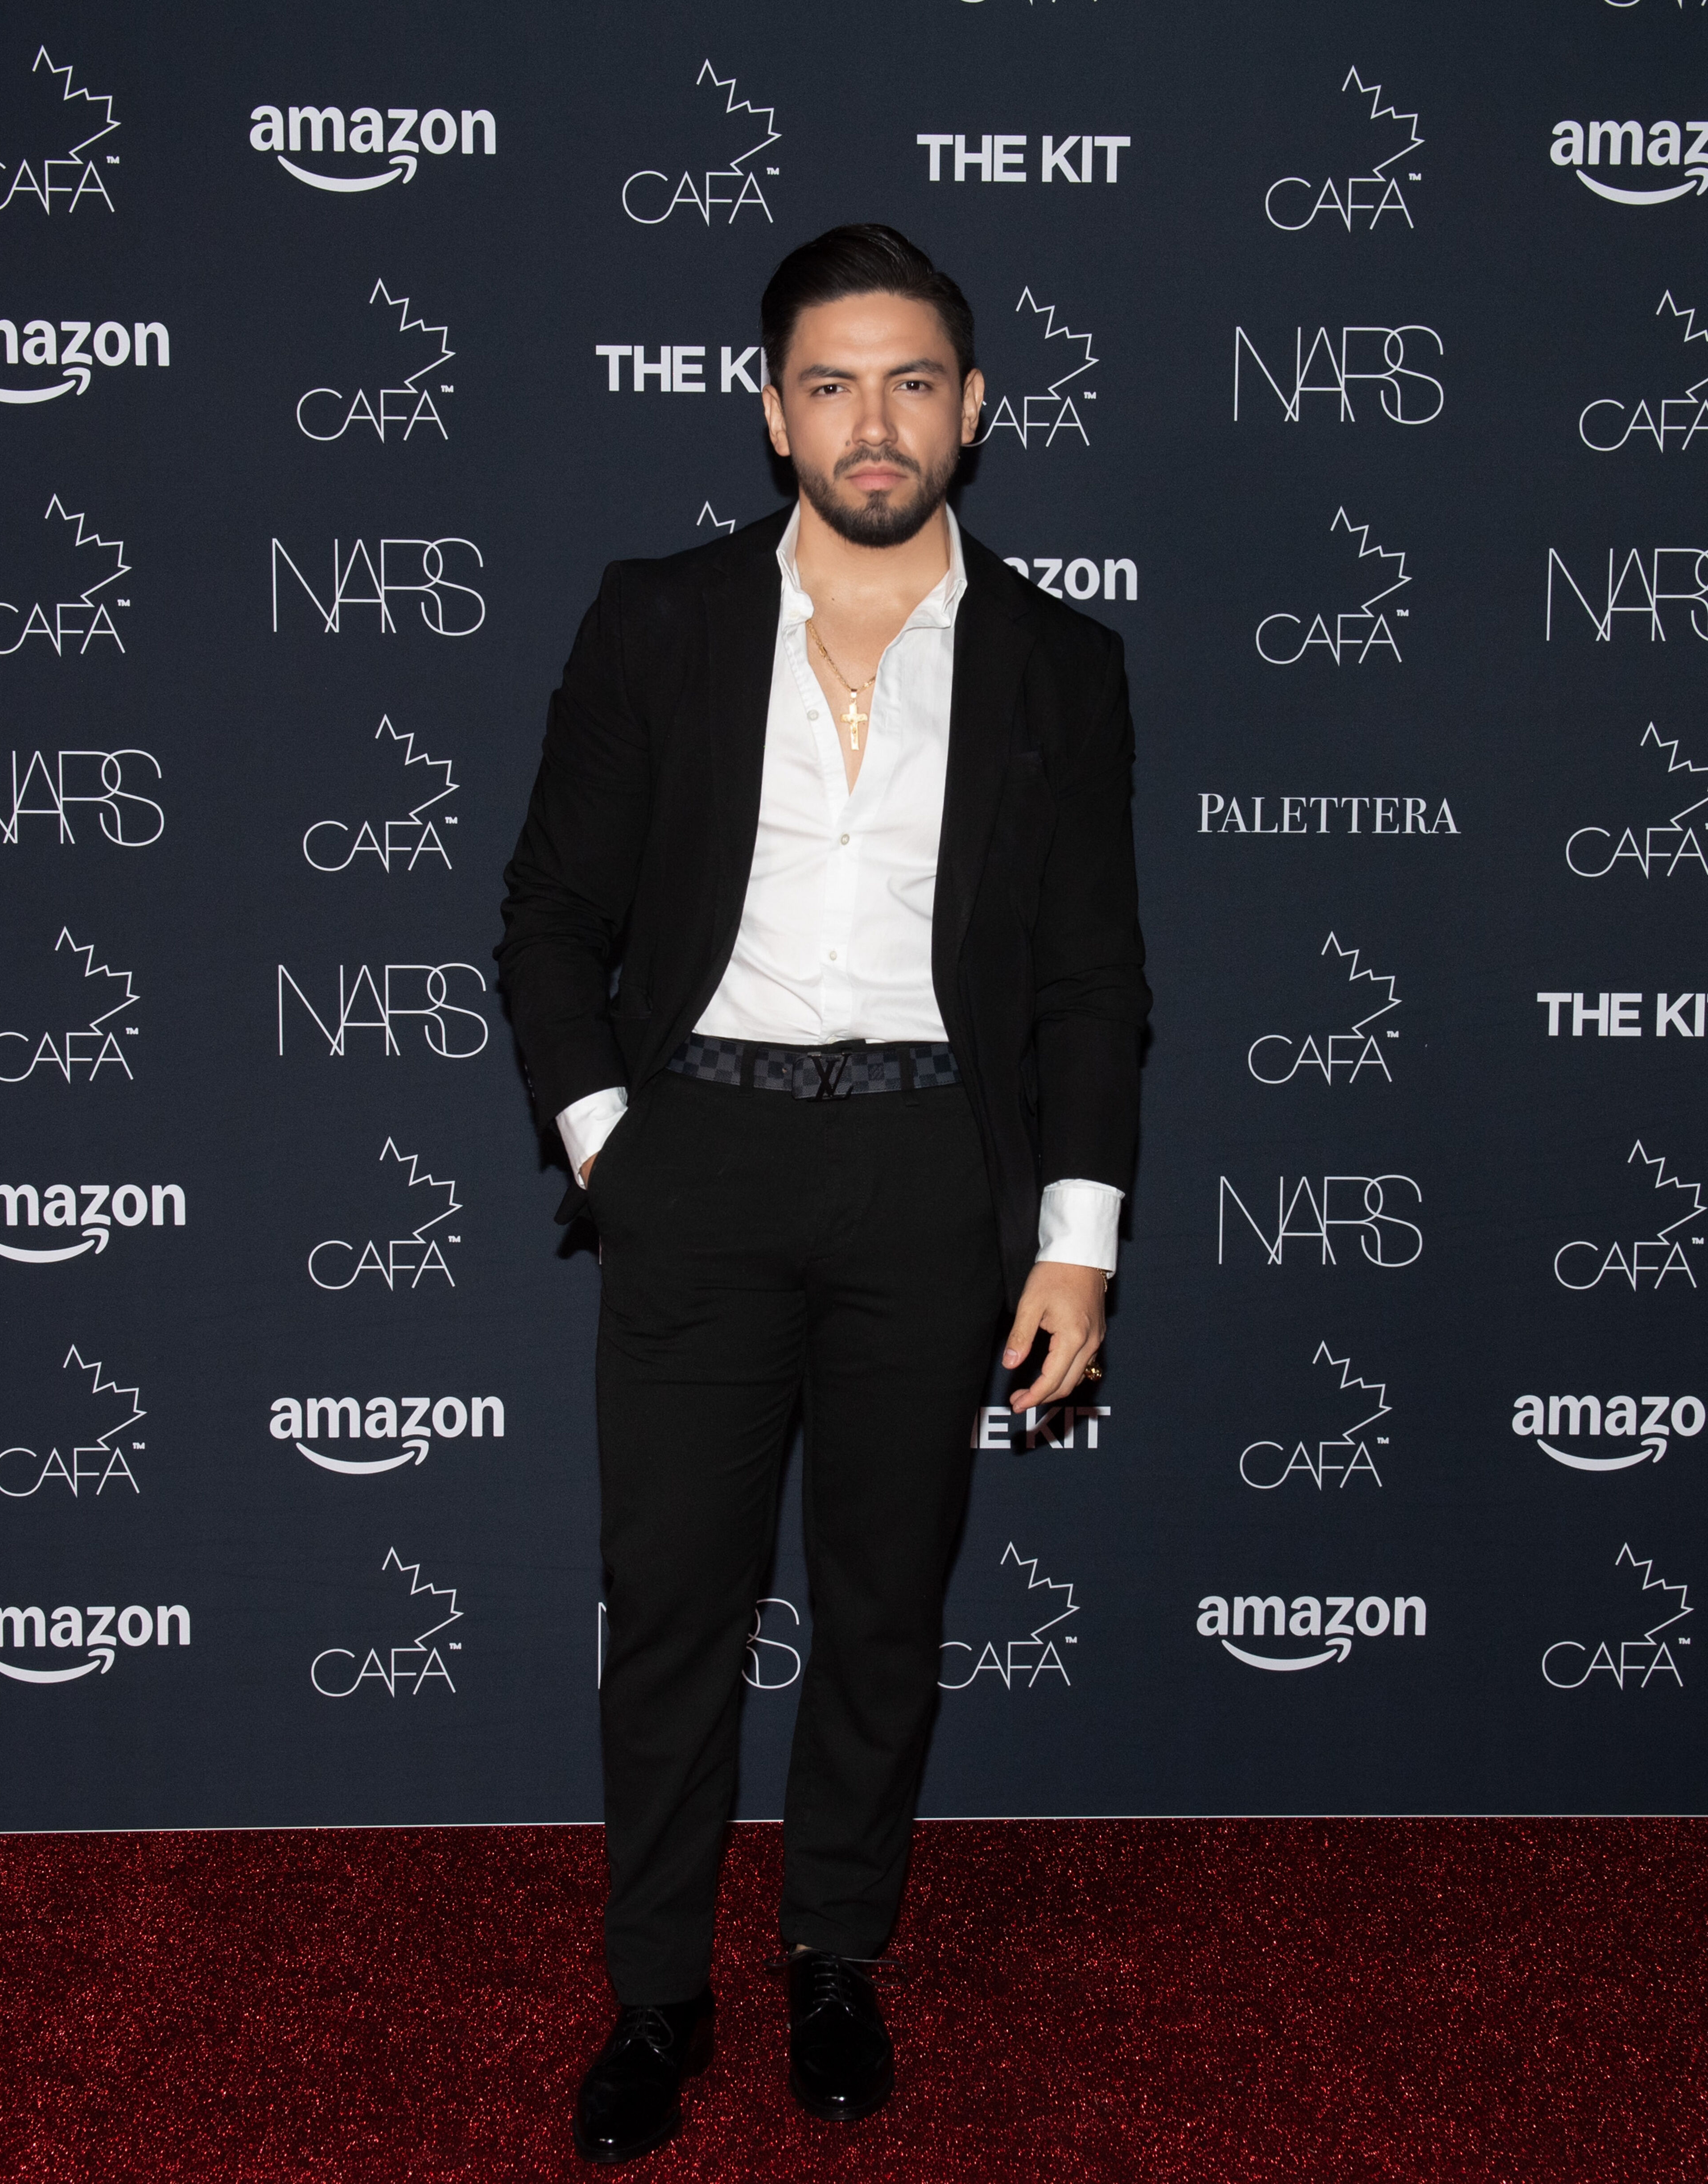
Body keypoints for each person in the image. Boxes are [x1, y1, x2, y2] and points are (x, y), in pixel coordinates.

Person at [497, 223, 1148, 2165]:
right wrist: (618, 1143)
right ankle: (658, 1996)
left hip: (929, 1182)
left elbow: (1094, 981)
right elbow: (550, 915)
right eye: (835, 383)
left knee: (883, 1608)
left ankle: (837, 1961)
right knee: (673, 1604)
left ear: (977, 410)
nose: (878, 423)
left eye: (916, 382)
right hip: (701, 1160)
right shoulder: (659, 619)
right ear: (770, 408)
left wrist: (1078, 1240)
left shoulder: (1063, 662)